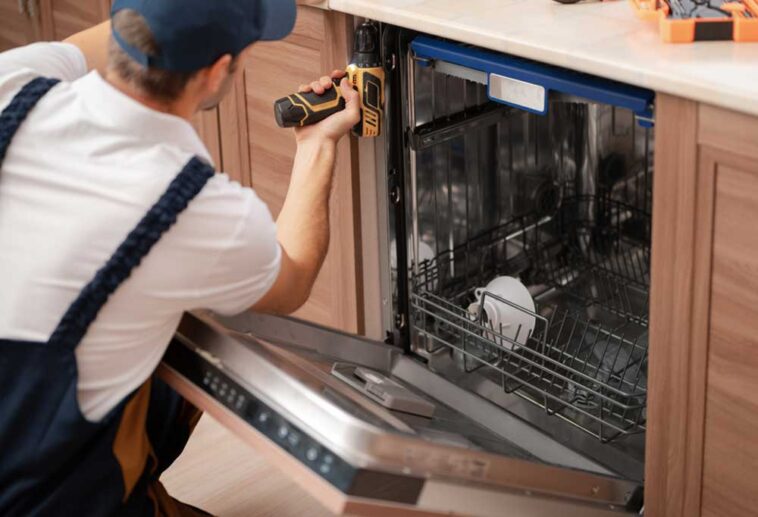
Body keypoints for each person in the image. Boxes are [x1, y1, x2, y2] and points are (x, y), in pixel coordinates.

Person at [0, 0, 360, 515]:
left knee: (172, 333)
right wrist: (317, 142)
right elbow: (295, 274)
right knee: (199, 333)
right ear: (216, 73)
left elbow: (103, 40)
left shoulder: (12, 83)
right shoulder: (189, 209)